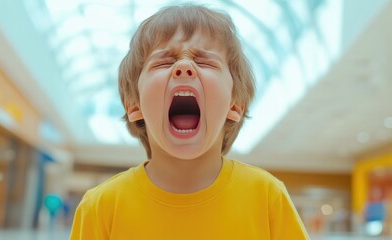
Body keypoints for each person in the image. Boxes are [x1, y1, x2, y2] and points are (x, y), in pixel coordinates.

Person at [70, 4, 309, 240]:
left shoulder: (266, 198)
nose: (184, 67)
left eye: (205, 62)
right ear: (135, 105)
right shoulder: (101, 207)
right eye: (163, 62)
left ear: (234, 105)